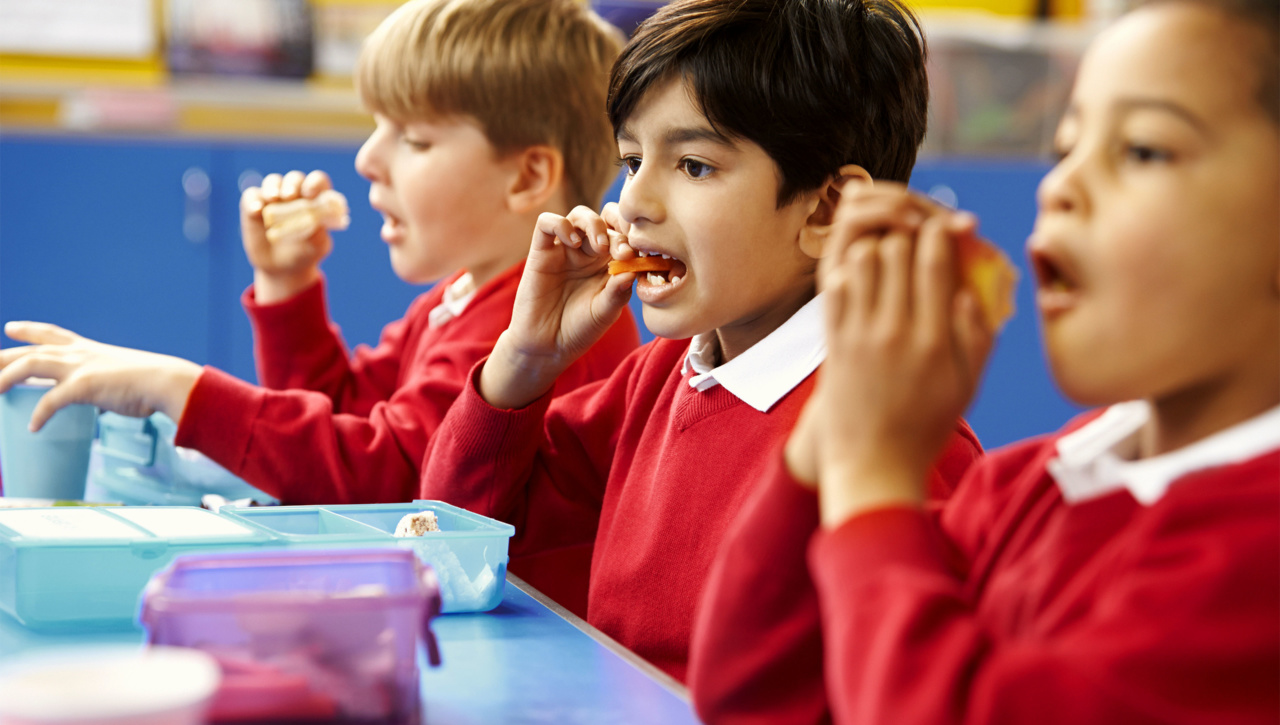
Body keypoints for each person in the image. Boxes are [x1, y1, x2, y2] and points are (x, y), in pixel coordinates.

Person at [688, 0, 1280, 721]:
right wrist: (836, 429)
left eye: (1144, 150)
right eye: (1065, 148)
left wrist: (875, 479)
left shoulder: (1257, 559)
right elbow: (752, 691)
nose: (1057, 186)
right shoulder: (1031, 484)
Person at [420, 0, 983, 678]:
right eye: (633, 159)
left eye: (693, 165)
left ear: (829, 210)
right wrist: (524, 358)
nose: (634, 201)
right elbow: (458, 544)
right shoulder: (657, 378)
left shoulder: (899, 451)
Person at [0, 0, 638, 508]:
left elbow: (390, 475)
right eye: (376, 128)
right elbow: (341, 412)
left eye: (413, 139)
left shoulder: (533, 326)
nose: (366, 159)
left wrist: (180, 390)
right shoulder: (459, 298)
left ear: (527, 177)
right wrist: (288, 283)